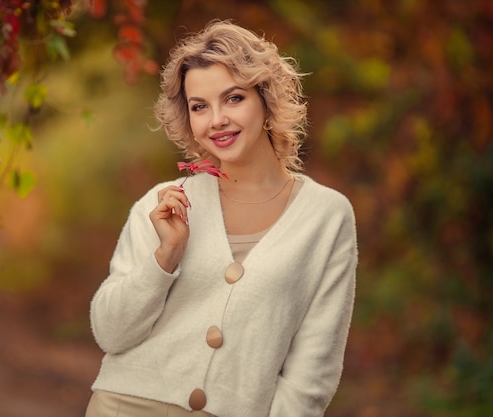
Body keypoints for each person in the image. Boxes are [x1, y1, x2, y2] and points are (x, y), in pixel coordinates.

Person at [85, 20, 357, 417]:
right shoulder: (163, 206)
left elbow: (312, 371)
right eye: (199, 107)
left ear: (265, 100)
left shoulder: (327, 217)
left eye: (233, 98)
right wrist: (165, 257)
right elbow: (110, 333)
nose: (216, 120)